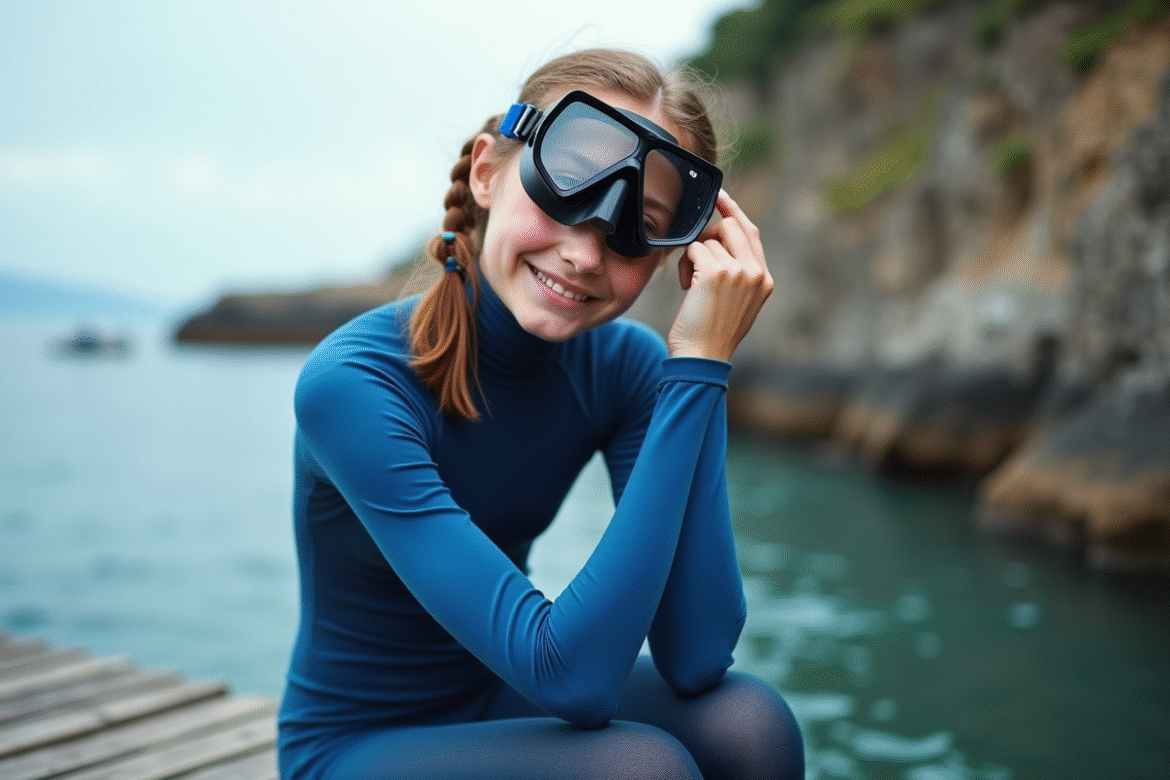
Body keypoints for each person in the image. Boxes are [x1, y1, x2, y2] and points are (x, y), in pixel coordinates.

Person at [277, 48, 804, 780]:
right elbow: (572, 678)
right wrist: (696, 373)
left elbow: (697, 652)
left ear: (672, 256)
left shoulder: (629, 367)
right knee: (638, 771)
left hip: (502, 696)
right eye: (565, 190)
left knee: (751, 725)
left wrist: (700, 367)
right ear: (488, 172)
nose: (586, 253)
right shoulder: (357, 383)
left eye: (633, 228)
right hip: (358, 747)